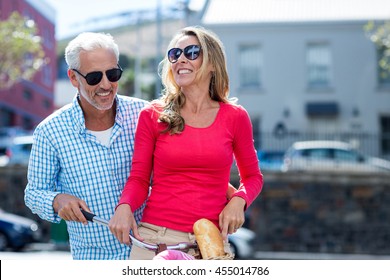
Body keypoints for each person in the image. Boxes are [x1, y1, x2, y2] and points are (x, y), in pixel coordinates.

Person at [109, 26, 263, 259]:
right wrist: (124, 206)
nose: (180, 59)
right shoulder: (153, 115)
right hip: (156, 239)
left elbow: (253, 178)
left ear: (212, 63)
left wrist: (239, 201)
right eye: (174, 54)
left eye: (191, 52)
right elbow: (139, 179)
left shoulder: (235, 117)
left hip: (210, 245)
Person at [24, 32, 149, 260]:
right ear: (73, 78)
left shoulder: (145, 114)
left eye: (113, 74)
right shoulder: (50, 131)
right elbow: (33, 193)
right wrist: (56, 200)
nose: (105, 84)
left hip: (150, 254)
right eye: (93, 77)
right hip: (93, 259)